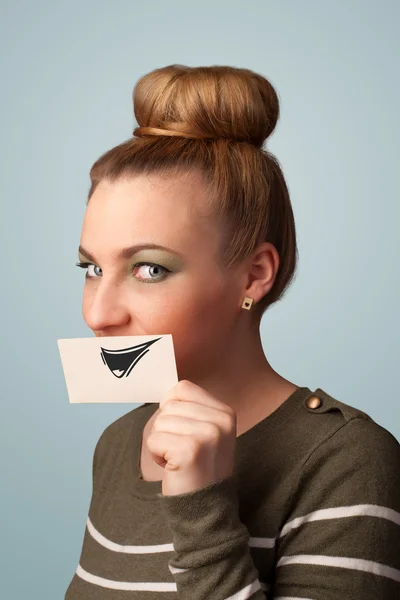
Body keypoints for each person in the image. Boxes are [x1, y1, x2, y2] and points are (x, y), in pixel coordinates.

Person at [65, 64, 400, 599]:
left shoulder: (346, 460)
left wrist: (202, 508)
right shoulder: (118, 444)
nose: (98, 314)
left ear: (254, 274)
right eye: (92, 269)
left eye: (150, 268)